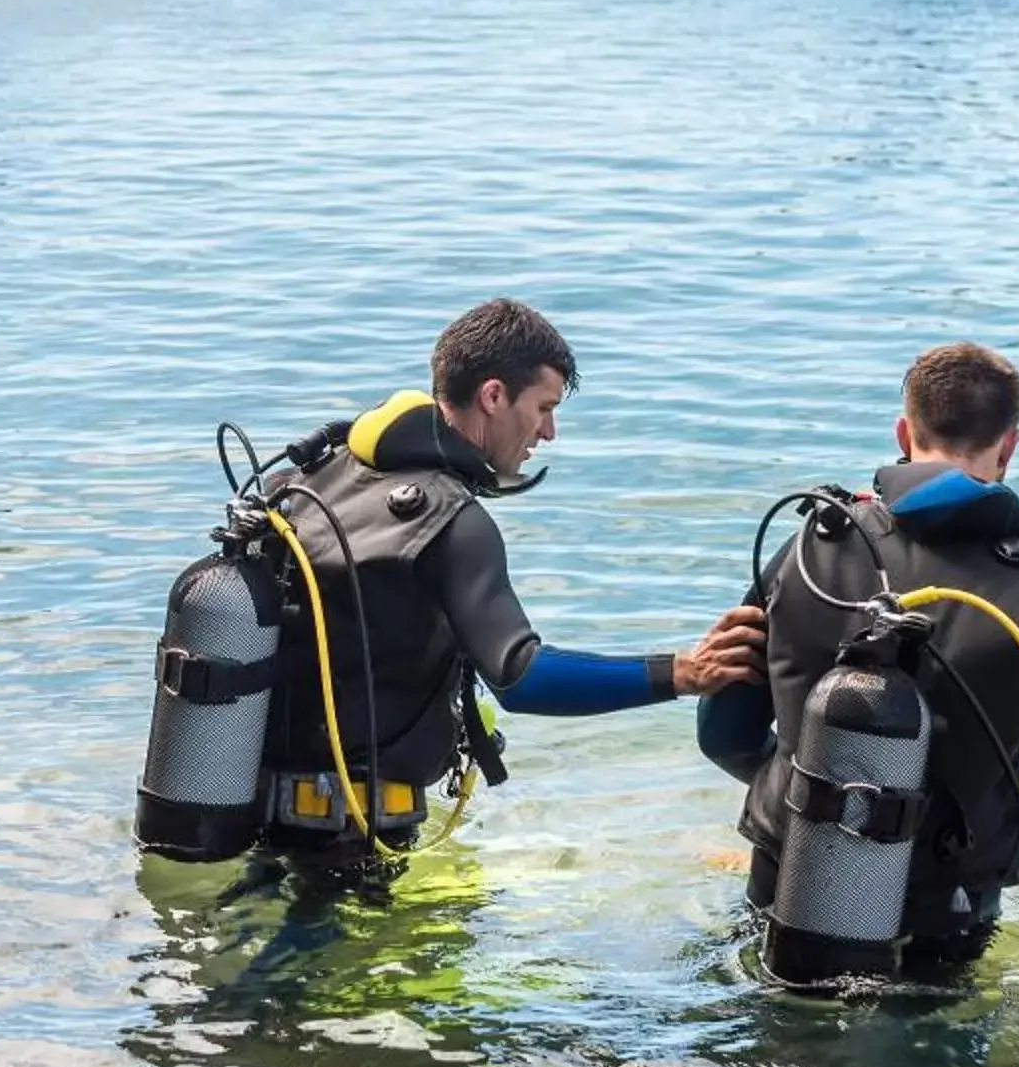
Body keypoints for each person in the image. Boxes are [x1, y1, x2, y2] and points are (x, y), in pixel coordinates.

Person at [698, 342, 1019, 970]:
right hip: (948, 918)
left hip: (788, 888)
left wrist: (823, 807)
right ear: (1010, 445)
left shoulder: (810, 545)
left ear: (903, 431)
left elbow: (722, 732)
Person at [258, 299, 753, 863]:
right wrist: (683, 673)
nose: (548, 431)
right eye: (542, 407)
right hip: (346, 845)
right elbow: (522, 678)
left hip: (244, 809)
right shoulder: (453, 522)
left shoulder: (306, 481)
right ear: (493, 396)